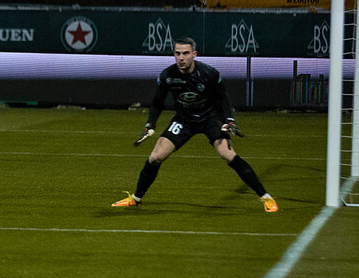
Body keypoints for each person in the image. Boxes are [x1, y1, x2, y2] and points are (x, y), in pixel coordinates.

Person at [112, 37, 278, 213]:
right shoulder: (167, 76)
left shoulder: (209, 74)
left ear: (194, 54)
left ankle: (266, 197)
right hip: (184, 120)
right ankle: (135, 199)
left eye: (185, 53)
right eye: (177, 54)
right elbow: (157, 102)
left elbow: (223, 98)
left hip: (210, 118)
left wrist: (229, 120)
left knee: (227, 154)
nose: (181, 58)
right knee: (155, 157)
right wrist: (150, 124)